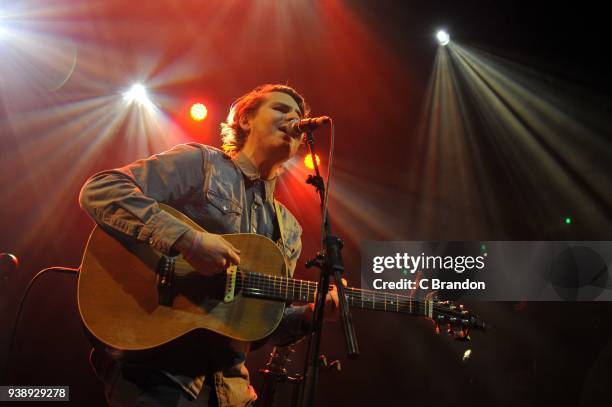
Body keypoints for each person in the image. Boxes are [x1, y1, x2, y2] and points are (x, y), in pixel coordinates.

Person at [79, 84, 339, 406]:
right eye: (281, 110)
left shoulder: (288, 230)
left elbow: (259, 324)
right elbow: (103, 190)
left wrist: (308, 316)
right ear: (245, 120)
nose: (294, 119)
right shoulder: (201, 164)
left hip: (232, 392)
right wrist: (188, 240)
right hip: (158, 376)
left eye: (298, 116)